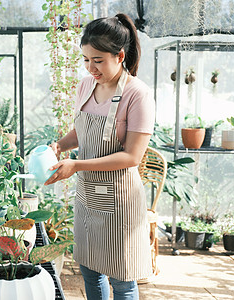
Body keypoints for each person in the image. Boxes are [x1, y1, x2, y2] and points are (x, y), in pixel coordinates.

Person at [44, 13, 155, 300]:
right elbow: (82, 131)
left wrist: (77, 165)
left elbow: (131, 156)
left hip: (120, 202)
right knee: (90, 273)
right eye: (85, 59)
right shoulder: (85, 86)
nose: (90, 67)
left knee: (122, 281)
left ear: (119, 56)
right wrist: (59, 146)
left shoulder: (137, 94)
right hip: (88, 196)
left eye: (98, 60)